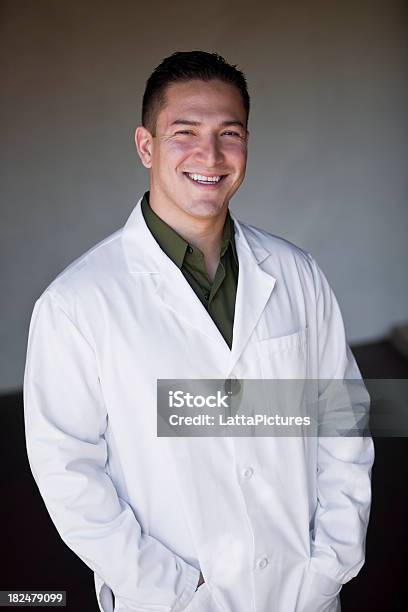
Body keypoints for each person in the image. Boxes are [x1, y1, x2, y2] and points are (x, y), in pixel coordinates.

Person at [23, 51, 374, 612]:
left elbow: (342, 420)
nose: (209, 155)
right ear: (146, 146)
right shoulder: (77, 303)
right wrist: (175, 592)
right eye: (184, 132)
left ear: (246, 145)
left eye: (228, 133)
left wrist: (328, 568)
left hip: (302, 596)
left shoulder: (297, 274)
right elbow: (68, 474)